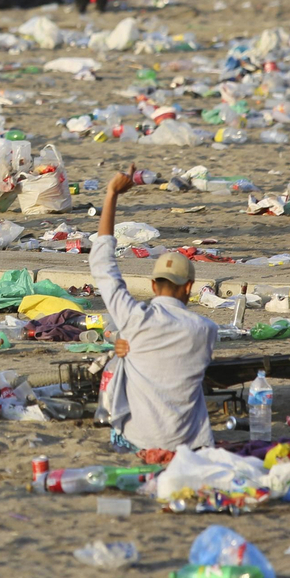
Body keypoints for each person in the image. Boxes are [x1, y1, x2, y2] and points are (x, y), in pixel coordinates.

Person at [90, 166, 219, 452]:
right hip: (189, 444)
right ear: (189, 287)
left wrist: (111, 194)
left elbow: (103, 265)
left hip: (137, 440)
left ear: (152, 285)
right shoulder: (206, 330)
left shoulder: (134, 318)